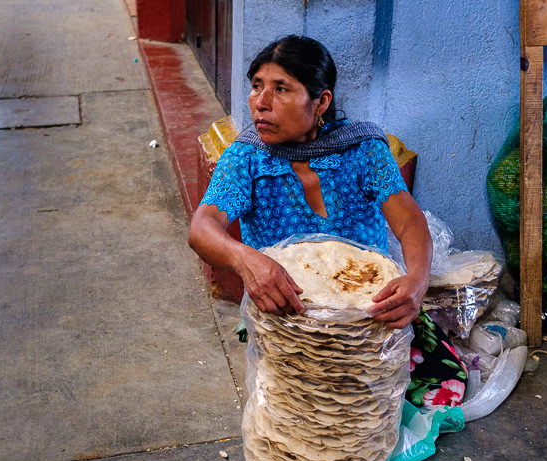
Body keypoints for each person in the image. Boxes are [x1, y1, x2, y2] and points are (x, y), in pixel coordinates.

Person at [188, 35, 467, 407]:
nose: (261, 102)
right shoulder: (247, 159)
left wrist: (416, 280)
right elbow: (202, 228)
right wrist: (245, 260)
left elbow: (409, 222)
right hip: (290, 314)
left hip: (366, 313)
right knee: (306, 409)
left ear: (320, 101)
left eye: (281, 89)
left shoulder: (363, 150)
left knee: (435, 388)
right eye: (256, 86)